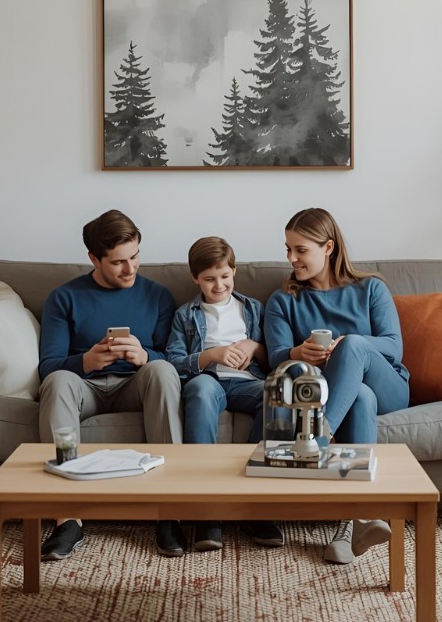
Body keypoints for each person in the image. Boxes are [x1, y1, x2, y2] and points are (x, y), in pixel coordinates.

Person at [263, 207, 410, 565]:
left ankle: (314, 441)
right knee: (360, 396)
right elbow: (275, 360)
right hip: (342, 392)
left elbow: (393, 345)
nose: (291, 258)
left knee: (355, 346)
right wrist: (299, 353)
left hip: (389, 385)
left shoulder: (370, 288)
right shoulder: (284, 300)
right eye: (287, 249)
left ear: (328, 247)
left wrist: (347, 344)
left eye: (300, 250)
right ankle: (355, 522)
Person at [37, 209, 184, 559]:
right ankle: (67, 517)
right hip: (84, 389)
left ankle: (169, 511)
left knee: (162, 371)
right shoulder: (64, 298)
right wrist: (85, 361)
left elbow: (173, 357)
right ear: (94, 258)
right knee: (58, 381)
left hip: (136, 385)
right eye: (118, 262)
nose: (130, 269)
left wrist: (146, 356)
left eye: (135, 257)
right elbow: (48, 367)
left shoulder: (158, 296)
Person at [165, 236, 284, 552]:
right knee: (201, 392)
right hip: (208, 380)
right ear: (196, 279)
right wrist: (212, 355)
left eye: (224, 277)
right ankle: (207, 509)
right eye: (209, 279)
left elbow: (275, 356)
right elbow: (173, 360)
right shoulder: (185, 315)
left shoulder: (253, 309)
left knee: (275, 392)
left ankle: (254, 498)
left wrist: (254, 347)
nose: (218, 285)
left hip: (248, 381)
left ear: (234, 272)